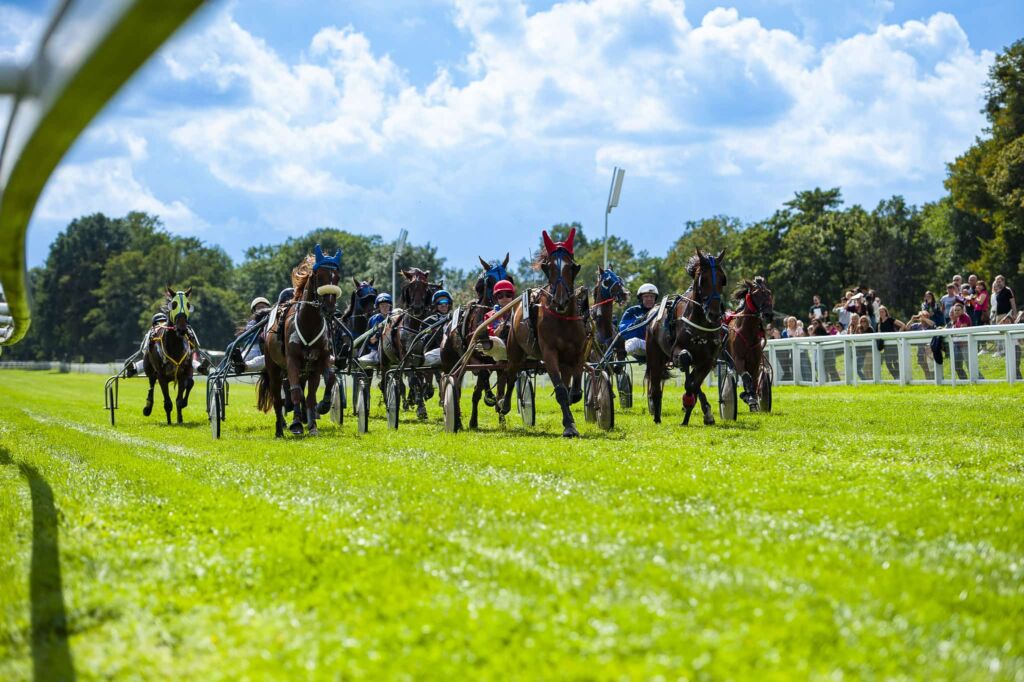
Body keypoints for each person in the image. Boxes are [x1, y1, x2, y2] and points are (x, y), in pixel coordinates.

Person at [476, 279, 516, 360]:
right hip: (501, 348)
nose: (504, 298)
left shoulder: (519, 312)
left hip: (518, 344)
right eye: (500, 296)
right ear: (496, 298)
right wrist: (499, 329)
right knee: (493, 340)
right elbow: (491, 338)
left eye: (508, 295)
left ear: (512, 297)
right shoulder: (489, 316)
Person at [619, 283, 659, 359]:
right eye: (646, 296)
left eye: (652, 296)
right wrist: (637, 323)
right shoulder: (632, 311)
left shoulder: (660, 311)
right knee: (635, 341)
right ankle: (620, 357)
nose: (649, 299)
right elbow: (623, 332)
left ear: (655, 298)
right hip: (643, 346)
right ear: (641, 298)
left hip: (659, 347)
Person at [358, 293, 393, 364]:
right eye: (382, 305)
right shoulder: (372, 320)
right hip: (376, 351)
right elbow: (369, 341)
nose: (384, 307)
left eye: (387, 305)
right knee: (361, 361)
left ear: (390, 306)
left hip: (393, 350)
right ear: (378, 307)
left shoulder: (395, 318)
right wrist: (376, 337)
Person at [422, 290, 453, 367]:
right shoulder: (428, 321)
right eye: (440, 303)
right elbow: (422, 342)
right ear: (435, 305)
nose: (443, 305)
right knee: (423, 360)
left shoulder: (455, 319)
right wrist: (430, 333)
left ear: (449, 304)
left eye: (446, 302)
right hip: (436, 352)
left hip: (454, 351)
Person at [876, 306, 906, 380]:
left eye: (882, 311)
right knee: (888, 363)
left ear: (886, 312)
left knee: (895, 361)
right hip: (886, 346)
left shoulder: (890, 320)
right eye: (880, 312)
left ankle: (900, 377)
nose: (881, 313)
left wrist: (897, 335)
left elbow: (903, 325)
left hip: (893, 344)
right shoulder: (879, 323)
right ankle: (896, 377)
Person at [907, 309, 937, 379]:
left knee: (930, 365)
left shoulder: (930, 324)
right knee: (922, 363)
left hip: (929, 348)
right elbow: (907, 328)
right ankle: (928, 379)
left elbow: (933, 324)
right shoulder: (917, 325)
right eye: (921, 316)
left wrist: (924, 318)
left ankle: (933, 378)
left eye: (925, 316)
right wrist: (912, 320)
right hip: (920, 348)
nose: (922, 318)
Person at [948, 302, 972, 380]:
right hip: (959, 345)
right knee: (956, 365)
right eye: (955, 310)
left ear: (962, 310)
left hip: (965, 345)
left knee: (970, 365)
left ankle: (980, 380)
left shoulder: (964, 317)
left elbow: (961, 330)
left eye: (958, 310)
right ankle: (964, 381)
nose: (956, 311)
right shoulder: (958, 318)